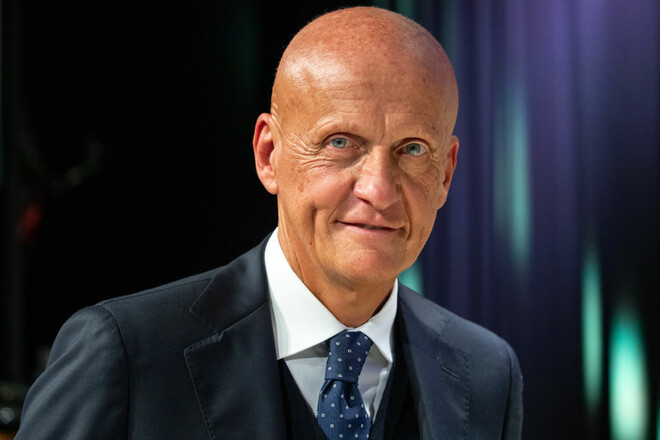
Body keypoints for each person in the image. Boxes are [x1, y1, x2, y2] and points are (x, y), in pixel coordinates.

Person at [15, 6, 522, 440]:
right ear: (269, 154)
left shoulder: (485, 373)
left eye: (412, 150)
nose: (379, 189)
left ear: (445, 173)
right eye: (341, 143)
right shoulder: (129, 355)